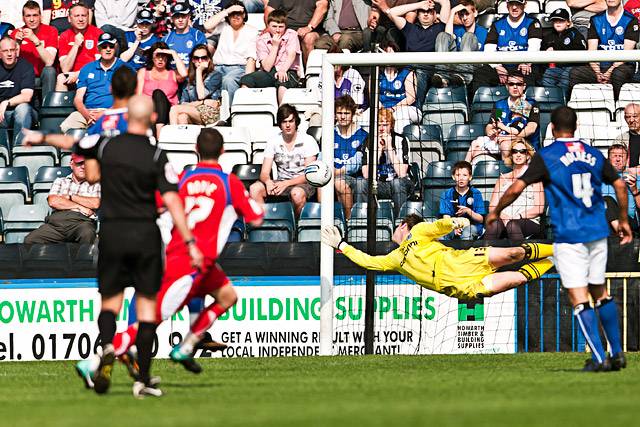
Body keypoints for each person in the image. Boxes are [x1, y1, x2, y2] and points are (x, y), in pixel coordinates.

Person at [74, 95, 203, 398]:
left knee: (110, 303)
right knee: (146, 309)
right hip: (145, 235)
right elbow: (172, 200)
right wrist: (189, 241)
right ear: (151, 120)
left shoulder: (106, 146)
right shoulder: (157, 155)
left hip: (113, 233)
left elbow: (87, 167)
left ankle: (106, 346)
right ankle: (142, 380)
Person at [487, 106, 631, 372]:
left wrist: (495, 210)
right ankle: (618, 353)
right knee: (599, 290)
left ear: (552, 129)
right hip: (597, 232)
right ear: (575, 127)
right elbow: (620, 185)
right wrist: (623, 219)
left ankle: (599, 358)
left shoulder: (548, 155)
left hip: (569, 236)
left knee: (578, 296)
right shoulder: (592, 153)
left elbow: (517, 186)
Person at [322, 214, 554, 300]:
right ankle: (554, 261)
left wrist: (455, 222)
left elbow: (437, 227)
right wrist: (342, 245)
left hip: (465, 260)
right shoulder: (395, 258)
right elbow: (369, 262)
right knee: (519, 279)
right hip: (460, 285)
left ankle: (557, 249)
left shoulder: (417, 231)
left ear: (404, 225)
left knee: (515, 253)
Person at [249, 103, 318, 218]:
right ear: (280, 124)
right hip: (281, 182)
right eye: (284, 122)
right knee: (255, 189)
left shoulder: (308, 141)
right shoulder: (273, 141)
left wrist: (286, 183)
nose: (287, 125)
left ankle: (296, 228)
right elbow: (264, 173)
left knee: (296, 193)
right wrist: (268, 182)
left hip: (303, 183)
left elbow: (309, 175)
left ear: (296, 122)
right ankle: (263, 226)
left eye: (291, 121)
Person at [380, 0, 450, 109]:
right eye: (422, 11)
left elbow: (445, 2)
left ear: (435, 14)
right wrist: (419, 4)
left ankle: (417, 109)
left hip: (429, 70)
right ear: (417, 15)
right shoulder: (410, 29)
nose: (426, 14)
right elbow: (392, 12)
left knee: (420, 72)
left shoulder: (440, 27)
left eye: (430, 11)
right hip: (408, 71)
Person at [569, 0, 638, 100]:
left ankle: (616, 110)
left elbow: (626, 54)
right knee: (575, 73)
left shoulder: (631, 20)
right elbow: (591, 52)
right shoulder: (595, 19)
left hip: (623, 66)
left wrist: (609, 72)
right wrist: (597, 72)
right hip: (600, 67)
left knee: (617, 75)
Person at [465, 71, 540, 164]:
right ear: (506, 86)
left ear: (524, 86)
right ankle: (465, 171)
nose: (515, 87)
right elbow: (491, 125)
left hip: (523, 144)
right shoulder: (500, 105)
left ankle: (508, 175)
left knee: (505, 145)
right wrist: (491, 132)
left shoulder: (530, 104)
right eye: (511, 84)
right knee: (475, 149)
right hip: (499, 141)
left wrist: (509, 137)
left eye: (519, 84)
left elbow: (531, 128)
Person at [24, 154, 101, 244]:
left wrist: (70, 197)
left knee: (87, 233)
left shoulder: (95, 183)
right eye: (79, 163)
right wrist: (80, 207)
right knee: (30, 240)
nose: (83, 167)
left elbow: (95, 203)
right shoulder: (60, 181)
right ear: (71, 164)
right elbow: (53, 201)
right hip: (57, 223)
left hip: (82, 222)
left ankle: (84, 258)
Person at [60, 32, 129, 133]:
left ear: (116, 47)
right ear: (98, 49)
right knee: (66, 126)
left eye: (111, 46)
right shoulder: (87, 68)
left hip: (114, 111)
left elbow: (130, 97)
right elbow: (78, 99)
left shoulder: (125, 68)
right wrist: (88, 116)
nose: (108, 49)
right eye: (104, 46)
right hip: (88, 111)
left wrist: (107, 113)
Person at [473, 0, 542, 95]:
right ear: (507, 5)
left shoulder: (532, 22)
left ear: (524, 5)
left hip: (522, 66)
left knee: (529, 75)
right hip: (502, 66)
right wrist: (497, 66)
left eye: (518, 4)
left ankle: (525, 108)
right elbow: (489, 49)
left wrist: (526, 62)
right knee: (480, 74)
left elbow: (534, 47)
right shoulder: (497, 24)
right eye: (511, 4)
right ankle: (487, 108)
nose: (514, 7)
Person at [353, 108, 411, 217]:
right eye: (379, 125)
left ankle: (400, 220)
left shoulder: (401, 140)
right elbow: (366, 174)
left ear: (391, 125)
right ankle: (361, 219)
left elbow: (402, 174)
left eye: (385, 125)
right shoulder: (368, 141)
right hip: (376, 183)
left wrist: (389, 148)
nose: (381, 128)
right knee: (360, 183)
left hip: (397, 183)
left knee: (397, 183)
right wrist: (378, 151)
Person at [239, 9, 303, 104]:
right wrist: (275, 46)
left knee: (282, 85)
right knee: (247, 80)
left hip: (288, 69)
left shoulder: (291, 34)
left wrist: (283, 70)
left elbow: (291, 55)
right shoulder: (262, 39)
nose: (277, 30)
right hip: (271, 71)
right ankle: (244, 108)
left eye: (281, 27)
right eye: (274, 26)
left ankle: (282, 113)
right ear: (268, 26)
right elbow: (267, 67)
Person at [485, 139, 545, 240]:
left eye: (522, 151)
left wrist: (518, 216)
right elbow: (492, 207)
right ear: (511, 155)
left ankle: (520, 254)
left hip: (526, 220)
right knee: (494, 225)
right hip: (503, 218)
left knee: (512, 225)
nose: (518, 154)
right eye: (514, 151)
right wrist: (503, 216)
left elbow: (539, 208)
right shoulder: (502, 179)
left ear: (527, 155)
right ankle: (484, 254)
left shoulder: (535, 178)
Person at [204, 1, 258, 103]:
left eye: (239, 13)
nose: (235, 16)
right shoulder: (224, 27)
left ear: (244, 14)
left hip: (238, 68)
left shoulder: (252, 31)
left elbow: (251, 58)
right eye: (232, 14)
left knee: (228, 80)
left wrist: (248, 79)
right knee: (207, 82)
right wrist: (228, 10)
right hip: (218, 67)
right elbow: (207, 26)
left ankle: (229, 112)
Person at [10, 1, 58, 101]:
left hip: (42, 77)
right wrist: (17, 43)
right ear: (23, 18)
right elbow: (10, 62)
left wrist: (35, 39)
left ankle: (47, 108)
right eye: (28, 16)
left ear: (40, 16)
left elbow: (49, 61)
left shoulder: (51, 31)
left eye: (35, 15)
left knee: (49, 71)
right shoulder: (16, 33)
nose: (32, 20)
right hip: (23, 78)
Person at [434, 0, 488, 87]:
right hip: (454, 68)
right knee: (442, 35)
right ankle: (442, 77)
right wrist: (452, 12)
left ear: (475, 13)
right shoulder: (458, 30)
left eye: (467, 14)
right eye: (461, 15)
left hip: (474, 66)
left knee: (469, 36)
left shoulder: (483, 32)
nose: (464, 18)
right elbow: (446, 37)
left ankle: (463, 77)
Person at [137, 41, 187, 134]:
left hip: (167, 112)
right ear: (152, 57)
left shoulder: (173, 74)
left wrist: (173, 53)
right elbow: (138, 96)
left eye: (163, 56)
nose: (160, 59)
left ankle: (159, 132)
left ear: (167, 57)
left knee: (158, 94)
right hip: (149, 111)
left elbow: (184, 74)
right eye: (157, 56)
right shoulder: (143, 72)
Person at [169, 44, 222, 125]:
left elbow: (201, 95)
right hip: (194, 111)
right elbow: (183, 103)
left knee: (174, 109)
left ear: (209, 59)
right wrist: (202, 102)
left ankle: (171, 137)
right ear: (192, 60)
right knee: (182, 117)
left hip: (210, 113)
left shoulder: (215, 75)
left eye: (203, 58)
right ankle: (183, 138)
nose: (200, 61)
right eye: (196, 58)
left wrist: (199, 71)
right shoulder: (188, 79)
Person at [56, 2, 103, 91]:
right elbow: (65, 68)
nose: (81, 19)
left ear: (88, 17)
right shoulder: (64, 36)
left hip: (93, 75)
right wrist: (76, 45)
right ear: (69, 19)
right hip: (71, 77)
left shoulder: (98, 33)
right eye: (77, 16)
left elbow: (100, 64)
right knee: (61, 77)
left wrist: (79, 74)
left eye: (84, 15)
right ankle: (60, 105)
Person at [375, 40, 420, 132]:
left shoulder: (407, 72)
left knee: (400, 116)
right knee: (366, 116)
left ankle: (398, 145)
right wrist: (383, 110)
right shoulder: (376, 73)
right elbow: (373, 97)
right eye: (386, 54)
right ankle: (373, 145)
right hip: (382, 108)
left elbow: (411, 98)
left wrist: (392, 109)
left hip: (405, 108)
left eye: (391, 54)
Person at [334, 95, 367, 220]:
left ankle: (349, 221)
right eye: (339, 113)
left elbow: (357, 163)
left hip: (354, 177)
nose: (342, 116)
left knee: (340, 183)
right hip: (331, 175)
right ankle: (323, 222)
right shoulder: (329, 133)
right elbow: (322, 158)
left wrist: (336, 172)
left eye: (346, 113)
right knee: (323, 183)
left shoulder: (363, 135)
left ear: (353, 114)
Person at [541, 8, 586, 98]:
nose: (558, 23)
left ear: (568, 22)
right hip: (555, 67)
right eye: (555, 21)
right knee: (547, 76)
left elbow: (581, 50)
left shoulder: (574, 34)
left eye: (561, 21)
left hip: (572, 66)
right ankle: (552, 101)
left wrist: (556, 49)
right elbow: (542, 51)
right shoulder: (548, 36)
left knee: (565, 79)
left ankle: (563, 102)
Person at [0, 36, 36, 148]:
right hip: (2, 114)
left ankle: (18, 150)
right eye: (5, 51)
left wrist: (6, 102)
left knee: (23, 108)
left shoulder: (26, 66)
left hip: (24, 113)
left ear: (17, 51)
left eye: (12, 50)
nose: (9, 54)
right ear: (0, 54)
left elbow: (27, 96)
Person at [438, 160, 485, 240]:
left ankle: (466, 252)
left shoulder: (476, 193)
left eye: (465, 175)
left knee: (467, 233)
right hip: (452, 226)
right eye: (458, 175)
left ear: (470, 177)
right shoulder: (446, 194)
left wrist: (468, 211)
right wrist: (453, 228)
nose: (461, 178)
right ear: (453, 176)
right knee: (441, 235)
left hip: (472, 226)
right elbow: (446, 217)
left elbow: (480, 219)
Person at [602, 144, 640, 233]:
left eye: (621, 156)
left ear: (627, 160)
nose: (618, 159)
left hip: (628, 221)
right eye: (614, 156)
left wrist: (634, 190)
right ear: (608, 159)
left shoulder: (635, 179)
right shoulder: (599, 178)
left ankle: (621, 231)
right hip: (604, 222)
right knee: (607, 200)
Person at [162, 2, 207, 67]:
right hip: (172, 74)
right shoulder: (166, 39)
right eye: (177, 17)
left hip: (192, 74)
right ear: (172, 19)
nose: (180, 20)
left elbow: (202, 61)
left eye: (183, 16)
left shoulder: (198, 36)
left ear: (188, 17)